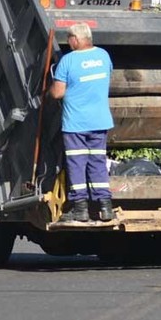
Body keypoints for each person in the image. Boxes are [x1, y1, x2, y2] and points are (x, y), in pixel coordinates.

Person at [49, 22, 115, 223]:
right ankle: (105, 207)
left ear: (75, 40)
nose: (68, 43)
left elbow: (58, 92)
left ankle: (80, 210)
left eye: (69, 39)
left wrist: (48, 91)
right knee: (97, 163)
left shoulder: (68, 61)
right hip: (100, 120)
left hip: (76, 124)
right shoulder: (104, 56)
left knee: (77, 164)